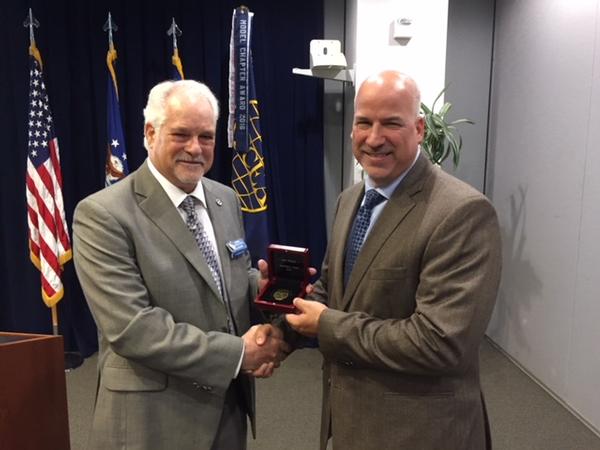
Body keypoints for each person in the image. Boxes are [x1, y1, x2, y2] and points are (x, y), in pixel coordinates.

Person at [286, 70, 502, 450]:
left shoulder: (461, 212)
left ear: (419, 128)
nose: (374, 138)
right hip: (355, 421)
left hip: (421, 432)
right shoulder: (349, 200)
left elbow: (439, 343)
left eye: (391, 123)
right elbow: (332, 291)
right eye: (364, 123)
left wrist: (328, 326)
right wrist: (283, 317)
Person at [73, 79, 288, 450]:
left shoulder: (225, 198)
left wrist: (269, 290)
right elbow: (134, 328)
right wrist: (240, 354)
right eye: (181, 134)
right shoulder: (102, 214)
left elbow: (229, 280)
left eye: (206, 136)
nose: (195, 148)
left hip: (225, 410)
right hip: (152, 421)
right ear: (150, 132)